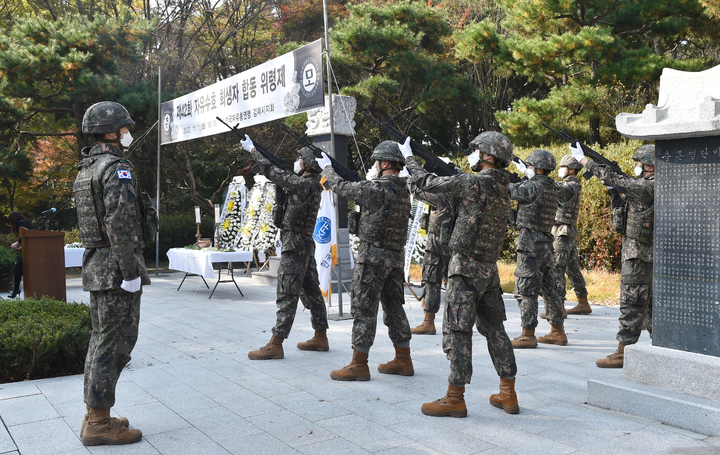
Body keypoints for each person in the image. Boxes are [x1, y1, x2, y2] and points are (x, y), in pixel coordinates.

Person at [401, 132, 518, 417]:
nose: (473, 155)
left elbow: (428, 183)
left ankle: (455, 397)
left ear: (488, 155)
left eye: (477, 150)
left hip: (464, 269)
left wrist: (409, 158)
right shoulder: (505, 186)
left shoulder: (473, 182)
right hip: (489, 270)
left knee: (458, 331)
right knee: (496, 331)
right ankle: (508, 393)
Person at [73, 101, 149, 446]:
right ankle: (100, 423)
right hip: (116, 268)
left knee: (100, 341)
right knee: (115, 343)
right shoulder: (116, 167)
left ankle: (95, 414)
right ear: (113, 131)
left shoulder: (87, 167)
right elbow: (120, 222)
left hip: (97, 266)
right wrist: (130, 270)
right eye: (124, 127)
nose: (127, 132)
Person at [316, 142, 414, 381]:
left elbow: (339, 186)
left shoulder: (375, 189)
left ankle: (359, 364)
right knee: (393, 307)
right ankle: (404, 359)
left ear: (386, 163)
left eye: (376, 161)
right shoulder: (404, 190)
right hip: (395, 258)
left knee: (364, 309)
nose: (374, 166)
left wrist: (328, 169)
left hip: (372, 259)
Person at [240, 137, 330, 359]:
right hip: (304, 243)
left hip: (295, 244)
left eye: (300, 159)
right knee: (311, 290)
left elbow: (272, 172)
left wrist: (253, 149)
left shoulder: (304, 183)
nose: (297, 161)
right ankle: (321, 336)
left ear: (307, 165)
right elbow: (281, 182)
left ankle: (276, 343)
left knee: (287, 292)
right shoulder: (311, 184)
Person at [570, 143, 655, 368]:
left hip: (639, 257)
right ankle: (659, 345)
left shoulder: (648, 187)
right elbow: (620, 224)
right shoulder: (642, 187)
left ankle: (624, 351)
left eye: (639, 162)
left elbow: (614, 177)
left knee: (632, 301)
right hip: (638, 254)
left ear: (649, 164)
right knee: (648, 304)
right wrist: (612, 194)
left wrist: (584, 161)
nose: (636, 166)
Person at [510, 150, 567, 348]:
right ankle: (557, 331)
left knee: (526, 290)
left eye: (530, 166)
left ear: (538, 168)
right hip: (546, 244)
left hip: (529, 245)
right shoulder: (553, 187)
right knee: (550, 289)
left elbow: (505, 190)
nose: (528, 169)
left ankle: (528, 334)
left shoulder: (531, 187)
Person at [540, 154, 590, 318]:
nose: (560, 170)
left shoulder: (569, 186)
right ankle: (583, 301)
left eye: (563, 167)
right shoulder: (573, 186)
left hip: (562, 232)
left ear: (571, 170)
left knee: (557, 268)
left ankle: (558, 307)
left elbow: (551, 186)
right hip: (568, 231)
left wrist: (536, 175)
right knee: (572, 267)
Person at [410, 189, 455, 335]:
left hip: (437, 245)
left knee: (431, 281)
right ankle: (455, 322)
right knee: (453, 282)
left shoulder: (442, 193)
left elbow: (417, 192)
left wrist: (410, 175)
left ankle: (428, 322)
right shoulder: (458, 188)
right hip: (453, 243)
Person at [7, 211, 33, 298]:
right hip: (30, 248)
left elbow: (27, 234)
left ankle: (16, 290)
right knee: (19, 270)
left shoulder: (19, 223)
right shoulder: (25, 221)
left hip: (30, 250)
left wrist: (17, 243)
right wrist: (21, 245)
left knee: (17, 270)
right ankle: (16, 290)